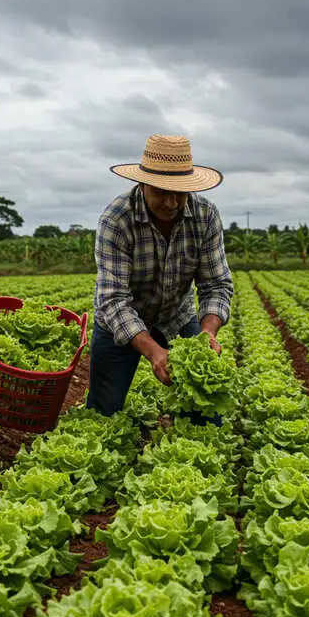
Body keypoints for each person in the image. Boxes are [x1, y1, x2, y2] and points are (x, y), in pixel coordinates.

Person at [86, 133, 233, 417]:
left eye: (179, 193)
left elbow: (216, 285)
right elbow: (113, 301)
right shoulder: (116, 220)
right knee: (104, 411)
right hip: (120, 322)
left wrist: (206, 334)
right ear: (142, 185)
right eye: (161, 192)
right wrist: (154, 352)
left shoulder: (205, 215)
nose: (170, 202)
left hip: (177, 316)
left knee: (206, 409)